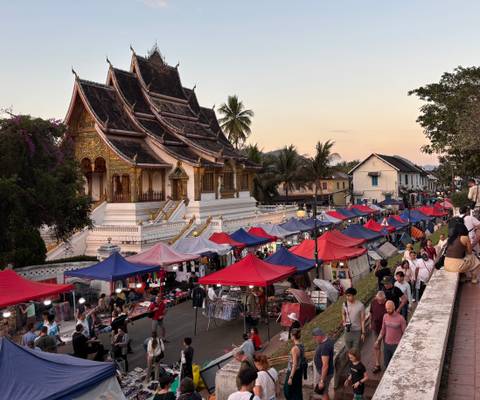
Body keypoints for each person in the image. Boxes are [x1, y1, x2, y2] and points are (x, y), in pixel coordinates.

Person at [375, 300, 406, 368]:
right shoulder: (385, 316)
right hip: (386, 345)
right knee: (386, 364)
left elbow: (405, 334)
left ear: (394, 307)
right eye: (386, 309)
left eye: (389, 308)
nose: (387, 310)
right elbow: (383, 330)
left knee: (396, 365)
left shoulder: (401, 319)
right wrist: (378, 340)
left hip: (396, 345)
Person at [312, 328, 334, 400]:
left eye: (315, 337)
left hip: (325, 374)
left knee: (323, 393)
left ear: (320, 336)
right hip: (326, 372)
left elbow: (325, 365)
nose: (314, 339)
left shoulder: (325, 347)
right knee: (324, 392)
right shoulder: (328, 340)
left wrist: (321, 380)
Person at [284, 328, 305, 400]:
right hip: (299, 371)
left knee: (287, 391)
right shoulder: (302, 345)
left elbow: (295, 364)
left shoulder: (294, 349)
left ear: (292, 336)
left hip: (293, 372)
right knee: (297, 390)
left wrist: (291, 377)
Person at [370, 291, 387, 374]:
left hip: (386, 329)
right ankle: (377, 365)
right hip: (375, 328)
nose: (380, 302)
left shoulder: (387, 304)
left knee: (386, 347)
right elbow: (371, 313)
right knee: (376, 346)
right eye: (378, 300)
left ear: (384, 298)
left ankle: (387, 363)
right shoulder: (373, 302)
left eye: (382, 300)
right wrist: (370, 323)